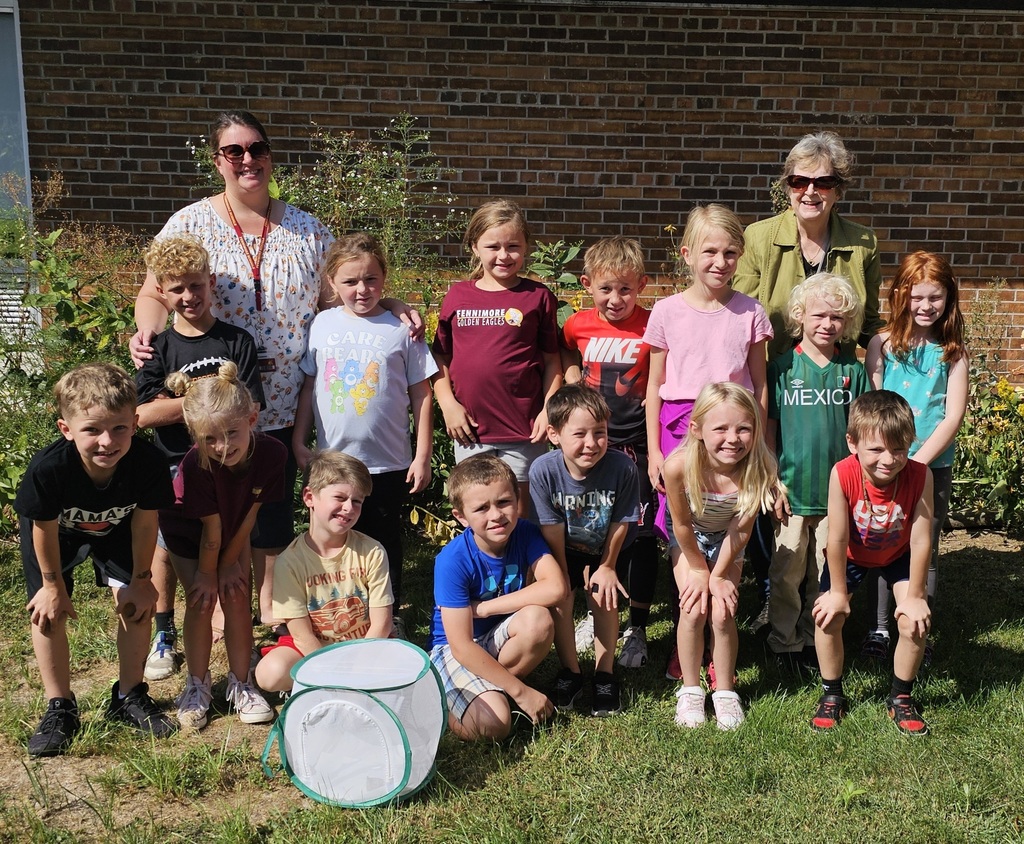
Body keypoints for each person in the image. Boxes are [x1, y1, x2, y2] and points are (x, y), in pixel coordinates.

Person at [130, 110, 421, 626]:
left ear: (270, 155)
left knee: (270, 518)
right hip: (210, 411)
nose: (247, 159)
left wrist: (392, 304)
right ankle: (171, 626)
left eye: (257, 148)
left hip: (286, 402)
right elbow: (155, 292)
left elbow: (347, 289)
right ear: (217, 160)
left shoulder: (307, 230)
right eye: (234, 151)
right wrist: (149, 336)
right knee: (188, 516)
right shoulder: (189, 224)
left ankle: (269, 615)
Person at [733, 132, 886, 634]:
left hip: (833, 382)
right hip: (772, 377)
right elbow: (740, 313)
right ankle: (773, 602)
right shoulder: (759, 238)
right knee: (776, 502)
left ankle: (821, 611)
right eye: (799, 181)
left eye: (823, 182)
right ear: (787, 187)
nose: (810, 191)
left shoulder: (861, 242)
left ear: (839, 188)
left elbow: (871, 323)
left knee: (824, 524)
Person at [14, 363, 176, 756]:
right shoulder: (49, 468)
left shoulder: (148, 463)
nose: (107, 441)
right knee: (47, 611)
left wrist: (141, 579)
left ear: (135, 423)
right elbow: (42, 528)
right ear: (66, 429)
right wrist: (51, 585)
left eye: (119, 428)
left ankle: (129, 695)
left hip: (120, 528)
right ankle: (60, 706)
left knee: (138, 603)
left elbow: (145, 522)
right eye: (92, 430)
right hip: (55, 535)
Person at [643, 204, 773, 680]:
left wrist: (762, 446)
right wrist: (655, 451)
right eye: (710, 252)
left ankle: (721, 645)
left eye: (730, 253)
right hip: (682, 425)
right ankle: (688, 641)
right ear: (687, 255)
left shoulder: (750, 312)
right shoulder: (666, 311)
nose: (720, 262)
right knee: (684, 532)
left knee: (730, 520)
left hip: (735, 430)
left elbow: (760, 385)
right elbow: (654, 385)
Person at [135, 233, 265, 681]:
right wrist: (210, 398)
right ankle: (164, 633)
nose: (188, 296)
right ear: (162, 293)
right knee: (167, 548)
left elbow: (251, 405)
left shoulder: (236, 341)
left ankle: (237, 634)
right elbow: (143, 414)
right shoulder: (158, 348)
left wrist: (177, 403)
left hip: (230, 464)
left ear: (211, 282)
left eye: (196, 285)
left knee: (233, 547)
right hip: (175, 464)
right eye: (177, 289)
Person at [292, 233, 435, 636]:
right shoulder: (321, 324)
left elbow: (422, 394)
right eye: (350, 281)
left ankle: (391, 616)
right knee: (334, 538)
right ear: (332, 282)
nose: (362, 289)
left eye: (371, 279)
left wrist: (422, 455)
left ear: (384, 278)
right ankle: (341, 613)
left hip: (388, 461)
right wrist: (299, 441)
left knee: (384, 540)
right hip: (333, 462)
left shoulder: (401, 329)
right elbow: (309, 386)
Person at [158, 362, 286, 729]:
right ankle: (197, 685)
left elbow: (250, 515)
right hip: (187, 533)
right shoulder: (195, 466)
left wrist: (231, 564)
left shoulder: (273, 454)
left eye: (231, 432)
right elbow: (209, 532)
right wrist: (208, 573)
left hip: (234, 525)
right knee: (201, 601)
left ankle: (242, 683)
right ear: (194, 434)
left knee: (237, 596)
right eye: (210, 438)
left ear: (252, 419)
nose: (222, 446)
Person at [861, 252, 968, 664]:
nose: (926, 306)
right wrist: (887, 459)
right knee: (881, 542)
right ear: (901, 296)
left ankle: (918, 625)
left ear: (948, 298)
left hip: (930, 468)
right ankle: (879, 629)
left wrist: (917, 461)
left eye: (935, 298)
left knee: (924, 547)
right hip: (883, 467)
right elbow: (872, 407)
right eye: (917, 297)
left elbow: (952, 416)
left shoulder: (953, 352)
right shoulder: (882, 345)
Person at [810, 391, 934, 735]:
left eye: (899, 449)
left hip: (898, 555)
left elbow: (921, 540)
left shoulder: (921, 475)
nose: (889, 459)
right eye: (876, 449)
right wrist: (838, 592)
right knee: (827, 617)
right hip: (850, 554)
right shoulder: (842, 473)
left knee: (913, 623)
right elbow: (836, 538)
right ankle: (832, 693)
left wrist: (916, 596)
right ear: (852, 443)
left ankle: (901, 696)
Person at [560, 236, 657, 670]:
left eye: (625, 289)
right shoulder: (577, 324)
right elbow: (567, 353)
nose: (615, 299)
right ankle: (593, 610)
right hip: (591, 446)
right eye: (605, 289)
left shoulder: (653, 325)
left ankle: (637, 626)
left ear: (642, 286)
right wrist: (572, 382)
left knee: (639, 536)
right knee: (590, 532)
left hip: (636, 444)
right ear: (587, 285)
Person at [431, 199, 562, 517]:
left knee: (522, 516)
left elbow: (553, 362)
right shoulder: (458, 296)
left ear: (526, 247)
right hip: (470, 432)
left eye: (513, 246)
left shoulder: (538, 297)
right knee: (478, 513)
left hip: (524, 431)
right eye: (493, 246)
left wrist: (548, 410)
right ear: (474, 247)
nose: (503, 255)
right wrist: (448, 405)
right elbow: (439, 358)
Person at [663, 383, 780, 731]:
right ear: (697, 429)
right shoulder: (678, 467)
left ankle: (726, 691)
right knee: (693, 607)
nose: (733, 439)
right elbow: (681, 525)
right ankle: (690, 689)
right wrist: (700, 571)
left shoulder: (760, 467)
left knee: (723, 611)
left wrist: (719, 574)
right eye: (721, 429)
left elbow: (741, 531)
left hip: (729, 540)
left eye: (743, 428)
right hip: (689, 539)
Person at [765, 273, 868, 668]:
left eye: (837, 317)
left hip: (837, 493)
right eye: (819, 315)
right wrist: (772, 480)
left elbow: (861, 433)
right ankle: (784, 641)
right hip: (790, 490)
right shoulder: (782, 367)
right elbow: (770, 430)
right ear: (800, 316)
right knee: (786, 571)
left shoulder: (852, 370)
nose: (828, 324)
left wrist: (858, 485)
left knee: (826, 571)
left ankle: (815, 639)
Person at [426, 454, 567, 741]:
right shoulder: (452, 560)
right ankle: (440, 697)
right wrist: (521, 692)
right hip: (453, 648)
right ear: (461, 517)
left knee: (539, 620)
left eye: (503, 502)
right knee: (495, 726)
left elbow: (556, 588)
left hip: (495, 634)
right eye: (481, 508)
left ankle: (489, 691)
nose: (496, 515)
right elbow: (461, 647)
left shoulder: (525, 533)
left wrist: (485, 608)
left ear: (517, 499)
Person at [529, 384, 640, 717]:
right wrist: (561, 574)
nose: (591, 443)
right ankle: (571, 671)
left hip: (609, 546)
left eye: (600, 433)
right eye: (579, 434)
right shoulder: (543, 471)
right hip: (563, 547)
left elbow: (621, 521)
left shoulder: (623, 467)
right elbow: (551, 527)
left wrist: (607, 566)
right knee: (560, 599)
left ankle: (605, 673)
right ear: (554, 434)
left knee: (605, 598)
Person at [254, 451, 394, 695]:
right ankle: (319, 683)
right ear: (309, 497)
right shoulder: (289, 562)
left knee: (406, 665)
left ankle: (323, 684)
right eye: (339, 497)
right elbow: (302, 636)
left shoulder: (372, 551)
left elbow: (381, 624)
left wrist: (359, 666)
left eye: (357, 501)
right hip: (312, 648)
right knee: (270, 673)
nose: (348, 508)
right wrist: (334, 673)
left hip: (366, 645)